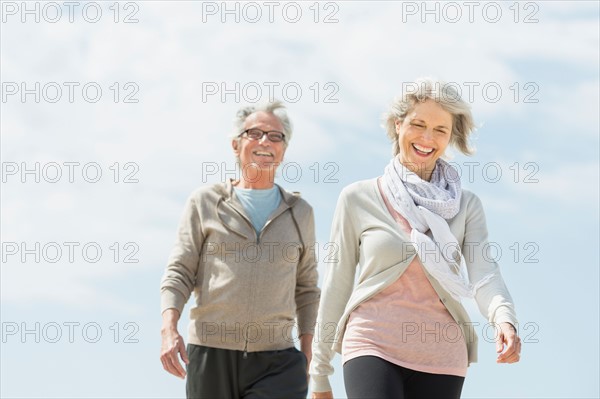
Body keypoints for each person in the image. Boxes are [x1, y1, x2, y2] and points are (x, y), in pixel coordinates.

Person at [309, 78, 521, 399]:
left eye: (440, 130)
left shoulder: (466, 206)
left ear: (451, 137)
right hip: (371, 341)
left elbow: (484, 274)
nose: (427, 138)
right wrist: (320, 371)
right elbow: (337, 283)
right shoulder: (358, 198)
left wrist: (504, 320)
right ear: (398, 125)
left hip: (442, 354)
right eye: (418, 124)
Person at [160, 101, 320, 398]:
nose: (265, 142)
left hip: (278, 359)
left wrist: (308, 353)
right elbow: (180, 271)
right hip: (211, 353)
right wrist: (169, 328)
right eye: (254, 133)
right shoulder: (205, 202)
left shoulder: (301, 213)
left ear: (283, 151)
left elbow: (307, 288)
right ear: (236, 145)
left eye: (275, 136)